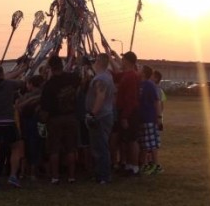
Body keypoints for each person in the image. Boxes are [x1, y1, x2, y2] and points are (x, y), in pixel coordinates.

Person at [40, 55, 80, 184]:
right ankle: (72, 176)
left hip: (55, 119)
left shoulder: (49, 85)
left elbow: (44, 106)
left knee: (54, 148)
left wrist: (43, 122)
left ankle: (55, 176)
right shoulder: (72, 78)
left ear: (51, 68)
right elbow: (83, 81)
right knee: (70, 147)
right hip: (71, 116)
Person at [0, 64, 24, 191]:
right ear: (2, 74)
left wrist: (18, 69)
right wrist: (23, 70)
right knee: (16, 147)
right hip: (8, 121)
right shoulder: (9, 85)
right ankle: (13, 175)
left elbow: (4, 78)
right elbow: (21, 83)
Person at [85, 53, 115, 184]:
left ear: (99, 62)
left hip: (100, 116)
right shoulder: (107, 76)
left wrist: (93, 113)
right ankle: (100, 173)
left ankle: (103, 175)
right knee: (100, 145)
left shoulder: (101, 79)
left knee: (100, 146)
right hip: (106, 114)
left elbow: (100, 96)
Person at [112, 51, 141, 176]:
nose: (121, 61)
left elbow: (131, 99)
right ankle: (129, 165)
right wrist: (110, 55)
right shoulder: (128, 75)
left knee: (132, 140)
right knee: (127, 140)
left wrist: (125, 116)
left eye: (123, 59)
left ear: (127, 61)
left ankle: (134, 166)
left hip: (129, 113)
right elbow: (116, 75)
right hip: (126, 111)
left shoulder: (131, 76)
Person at [139, 65, 163, 175]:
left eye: (140, 70)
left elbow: (156, 102)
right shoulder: (141, 84)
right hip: (143, 118)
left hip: (150, 118)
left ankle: (156, 165)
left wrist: (158, 118)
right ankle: (145, 164)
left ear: (144, 73)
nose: (138, 70)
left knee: (152, 144)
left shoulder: (149, 85)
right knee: (145, 144)